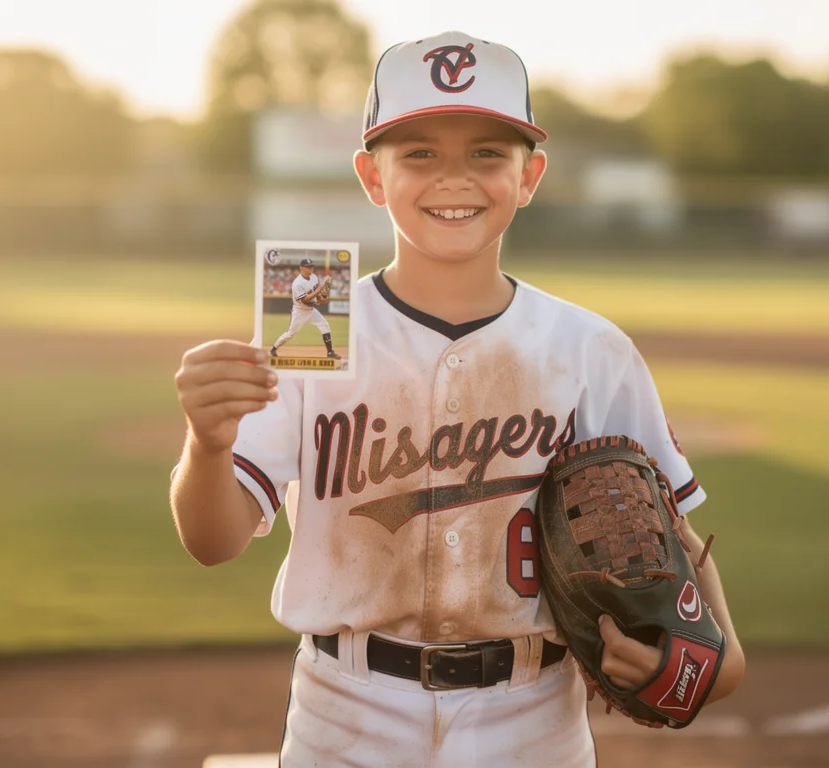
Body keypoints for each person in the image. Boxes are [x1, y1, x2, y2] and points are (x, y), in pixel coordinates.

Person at [171, 30, 745, 766]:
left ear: (529, 175)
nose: (454, 178)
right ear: (371, 178)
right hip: (346, 716)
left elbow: (678, 540)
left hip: (532, 719)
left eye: (486, 153)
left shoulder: (589, 348)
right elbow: (212, 543)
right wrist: (209, 444)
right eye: (419, 153)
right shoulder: (313, 322)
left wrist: (716, 662)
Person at [270, 258, 340, 359]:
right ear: (301, 268)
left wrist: (320, 299)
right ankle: (274, 348)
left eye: (311, 266)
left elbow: (317, 293)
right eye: (308, 267)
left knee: (324, 325)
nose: (311, 268)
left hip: (311, 310)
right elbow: (305, 300)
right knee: (290, 334)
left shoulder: (314, 277)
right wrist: (318, 292)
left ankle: (330, 352)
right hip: (300, 312)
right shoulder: (297, 283)